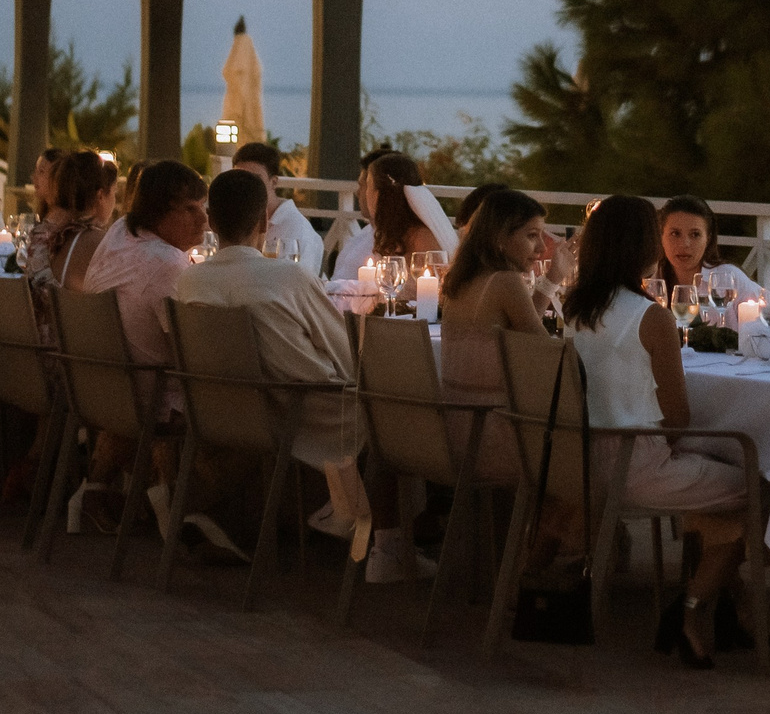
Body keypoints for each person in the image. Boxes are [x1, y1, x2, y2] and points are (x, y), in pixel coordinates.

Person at [563, 193, 755, 669]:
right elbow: (678, 417)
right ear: (642, 248)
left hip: (579, 467)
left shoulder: (572, 309)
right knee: (762, 485)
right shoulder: (652, 317)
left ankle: (726, 605)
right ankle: (692, 607)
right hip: (635, 469)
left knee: (723, 467)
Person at [175, 169, 381, 570]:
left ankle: (340, 510)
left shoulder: (189, 283)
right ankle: (378, 537)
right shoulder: (287, 276)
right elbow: (344, 355)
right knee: (392, 409)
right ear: (265, 223)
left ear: (211, 222)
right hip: (305, 411)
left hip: (229, 410)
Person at [438, 185, 553, 483]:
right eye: (531, 235)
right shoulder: (505, 282)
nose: (541, 247)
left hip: (456, 432)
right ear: (501, 238)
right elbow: (544, 353)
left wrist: (551, 281)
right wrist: (552, 281)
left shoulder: (459, 281)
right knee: (588, 451)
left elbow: (519, 332)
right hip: (496, 436)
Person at [81, 159, 207, 409]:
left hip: (104, 392)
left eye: (203, 206)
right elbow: (194, 354)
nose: (204, 219)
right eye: (190, 210)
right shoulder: (166, 262)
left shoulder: (120, 231)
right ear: (158, 214)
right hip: (154, 402)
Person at [328, 152, 457, 281]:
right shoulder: (388, 234)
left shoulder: (422, 238)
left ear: (380, 194)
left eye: (368, 186)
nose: (361, 193)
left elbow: (437, 289)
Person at [648, 195, 759, 312]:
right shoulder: (651, 283)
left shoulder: (728, 279)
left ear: (708, 239)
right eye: (675, 233)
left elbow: (769, 316)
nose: (685, 244)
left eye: (695, 235)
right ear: (661, 236)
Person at [25, 149, 114, 294]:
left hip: (43, 314)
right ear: (100, 195)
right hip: (67, 314)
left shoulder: (48, 233)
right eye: (114, 192)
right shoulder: (95, 242)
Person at [230, 140, 323, 274]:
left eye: (255, 180)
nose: (246, 187)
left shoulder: (298, 230)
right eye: (240, 180)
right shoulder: (234, 220)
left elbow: (300, 285)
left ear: (273, 182)